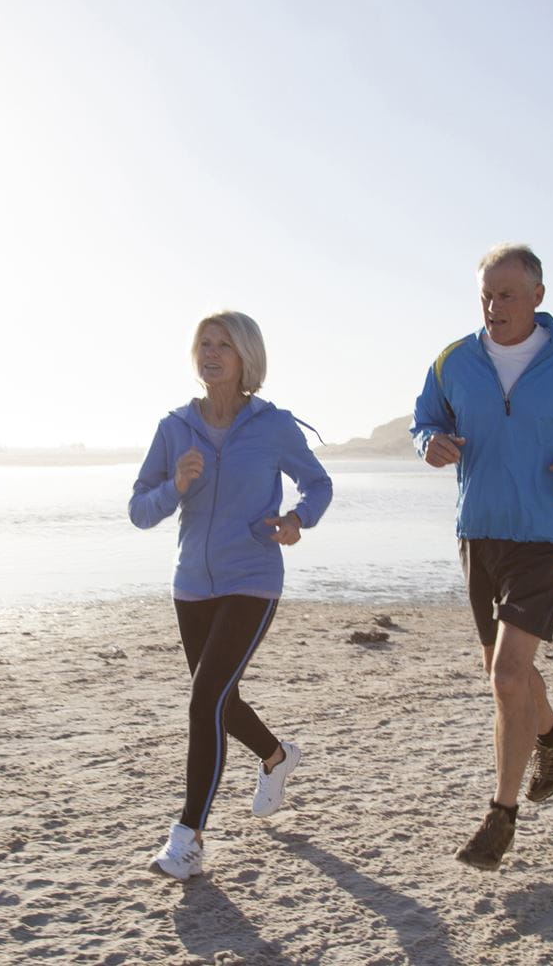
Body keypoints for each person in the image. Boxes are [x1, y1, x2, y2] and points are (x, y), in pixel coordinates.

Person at [411, 244, 553, 871]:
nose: (494, 306)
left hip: (545, 531)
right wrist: (429, 442)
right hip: (479, 531)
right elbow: (424, 420)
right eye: (486, 295)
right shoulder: (453, 361)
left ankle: (501, 814)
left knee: (508, 676)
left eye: (507, 294)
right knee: (502, 671)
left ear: (538, 296)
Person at [130, 310, 334, 881]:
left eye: (224, 344)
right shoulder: (174, 428)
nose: (212, 353)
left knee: (204, 701)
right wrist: (176, 485)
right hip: (192, 585)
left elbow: (318, 484)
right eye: (205, 343)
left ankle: (188, 837)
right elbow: (139, 509)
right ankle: (277, 757)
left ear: (246, 357)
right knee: (221, 700)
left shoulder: (274, 426)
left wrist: (297, 520)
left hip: (253, 576)